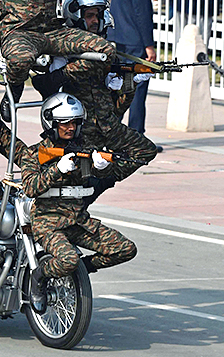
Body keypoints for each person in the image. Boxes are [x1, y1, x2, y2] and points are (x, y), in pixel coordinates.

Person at [22, 93, 138, 313]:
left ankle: (80, 270)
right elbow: (30, 187)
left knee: (125, 249)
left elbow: (98, 174)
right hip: (48, 222)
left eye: (75, 123)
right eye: (65, 123)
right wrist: (58, 169)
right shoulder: (35, 153)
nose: (70, 128)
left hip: (77, 219)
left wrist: (102, 167)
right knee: (67, 260)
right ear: (52, 123)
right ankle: (38, 276)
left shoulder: (85, 147)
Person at [109, 0, 159, 136]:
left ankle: (112, 131)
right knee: (138, 92)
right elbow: (142, 12)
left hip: (119, 37)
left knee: (121, 89)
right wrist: (149, 44)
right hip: (136, 41)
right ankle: (136, 134)